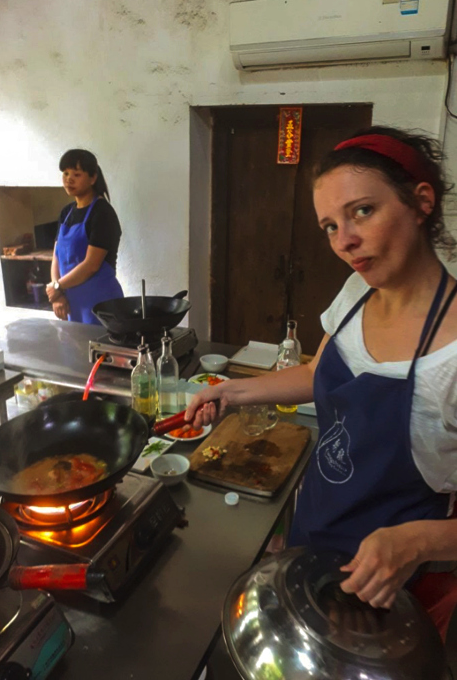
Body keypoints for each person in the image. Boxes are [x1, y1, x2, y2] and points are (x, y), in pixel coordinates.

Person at [186, 126, 457, 640]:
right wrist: (231, 392)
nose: (344, 241)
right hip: (314, 539)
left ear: (421, 202)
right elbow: (316, 374)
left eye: (362, 212)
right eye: (329, 226)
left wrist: (418, 543)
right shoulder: (358, 290)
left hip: (396, 589)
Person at [47, 149, 123, 323]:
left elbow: (91, 265)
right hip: (72, 303)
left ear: (93, 178)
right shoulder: (66, 212)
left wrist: (58, 286)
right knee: (74, 349)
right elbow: (56, 256)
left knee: (100, 349)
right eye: (65, 173)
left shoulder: (102, 213)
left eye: (77, 174)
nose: (69, 179)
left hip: (100, 304)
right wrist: (57, 294)